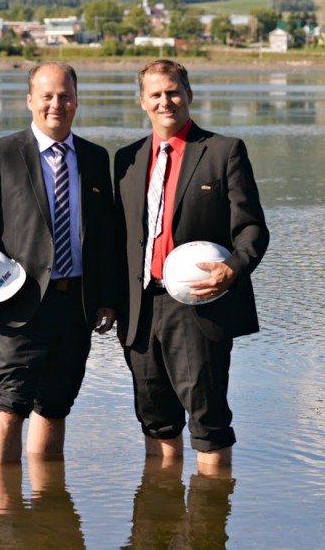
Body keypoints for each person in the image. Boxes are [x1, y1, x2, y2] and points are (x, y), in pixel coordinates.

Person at [0, 62, 117, 463]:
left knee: (55, 407)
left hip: (77, 306)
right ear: (30, 101)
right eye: (47, 96)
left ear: (77, 100)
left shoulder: (94, 158)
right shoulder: (1, 154)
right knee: (8, 406)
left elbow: (104, 237)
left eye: (65, 95)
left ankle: (46, 506)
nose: (57, 104)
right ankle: (3, 517)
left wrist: (108, 298)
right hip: (19, 302)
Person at [113, 59, 268, 470]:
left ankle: (206, 530)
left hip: (201, 305)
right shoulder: (125, 160)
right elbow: (117, 239)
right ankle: (159, 520)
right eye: (156, 94)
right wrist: (108, 300)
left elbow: (252, 228)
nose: (166, 101)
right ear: (142, 102)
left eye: (173, 91)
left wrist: (233, 268)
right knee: (155, 421)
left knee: (208, 422)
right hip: (141, 309)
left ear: (189, 94)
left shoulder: (223, 151)